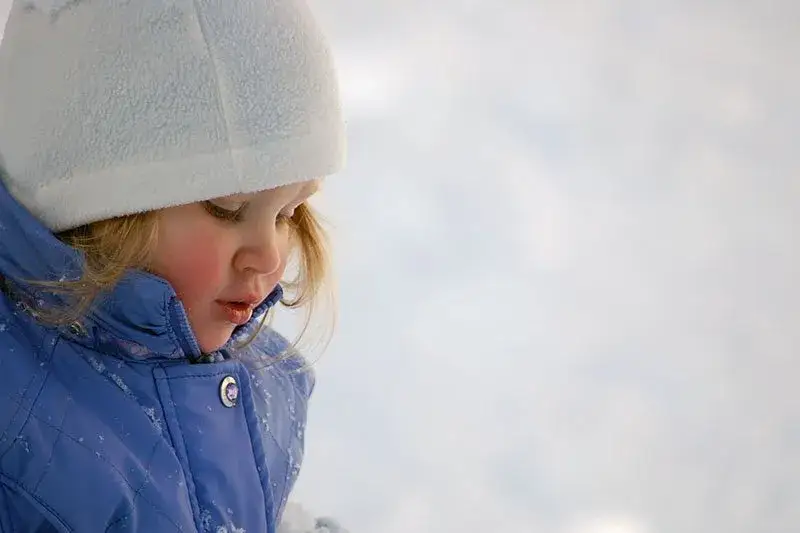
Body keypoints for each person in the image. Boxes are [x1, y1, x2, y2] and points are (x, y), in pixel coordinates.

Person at [0, 0, 345, 531]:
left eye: (288, 213)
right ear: (102, 212)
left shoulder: (266, 383)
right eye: (226, 209)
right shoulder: (18, 433)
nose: (270, 255)